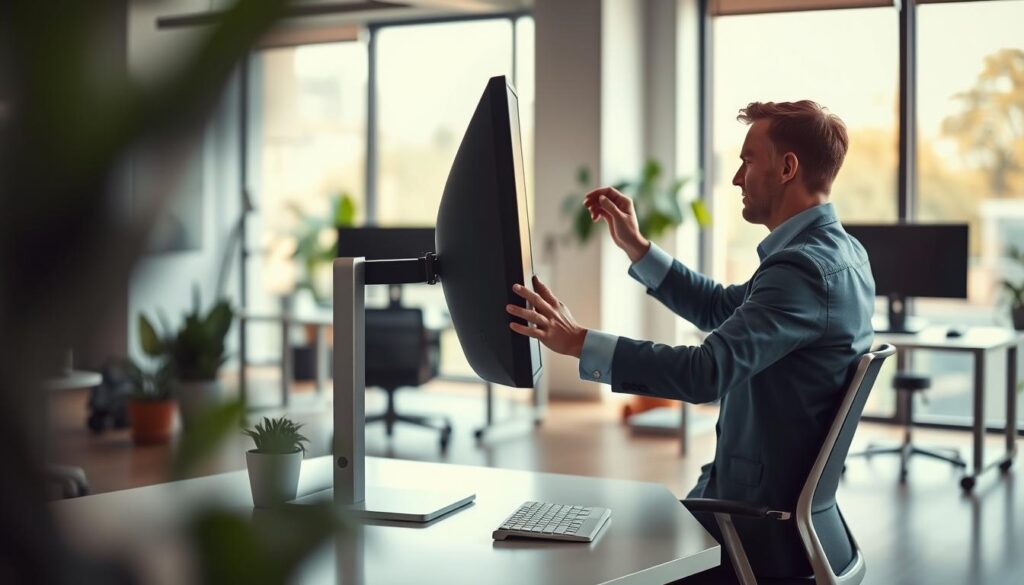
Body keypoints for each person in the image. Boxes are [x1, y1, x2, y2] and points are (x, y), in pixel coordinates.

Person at [506, 100, 874, 583]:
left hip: (753, 528)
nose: (738, 178)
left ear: (788, 168)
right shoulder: (839, 253)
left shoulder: (802, 270)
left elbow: (705, 374)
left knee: (578, 554)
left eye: (748, 160)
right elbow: (723, 309)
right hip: (778, 517)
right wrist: (638, 247)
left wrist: (579, 342)